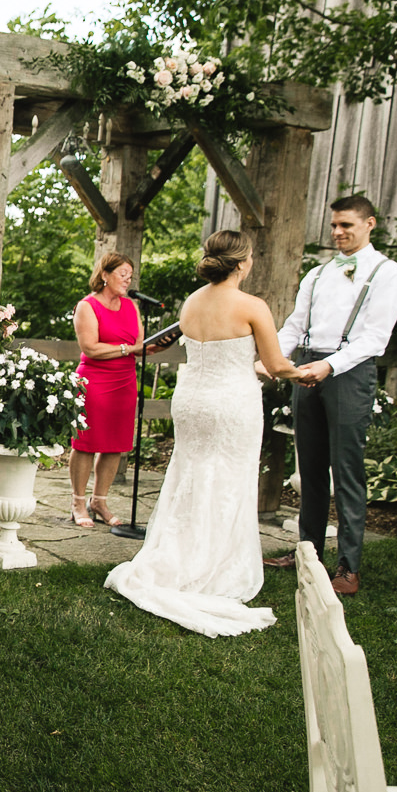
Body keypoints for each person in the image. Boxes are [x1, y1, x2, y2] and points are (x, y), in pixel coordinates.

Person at [104, 230, 303, 637]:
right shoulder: (252, 305)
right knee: (229, 479)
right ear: (243, 262)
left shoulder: (191, 302)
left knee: (190, 476)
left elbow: (211, 352)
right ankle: (213, 564)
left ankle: (178, 555)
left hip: (192, 401)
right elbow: (276, 363)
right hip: (231, 404)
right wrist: (306, 372)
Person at [265, 195, 397, 596]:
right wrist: (273, 358)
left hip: (348, 372)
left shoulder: (389, 273)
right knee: (309, 467)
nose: (337, 232)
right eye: (333, 225)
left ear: (370, 224)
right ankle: (306, 553)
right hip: (306, 367)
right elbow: (295, 326)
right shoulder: (317, 274)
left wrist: (330, 366)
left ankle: (348, 566)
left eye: (346, 225)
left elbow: (375, 339)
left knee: (345, 471)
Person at [66, 251, 145, 527]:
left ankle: (99, 500)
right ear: (104, 275)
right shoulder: (87, 306)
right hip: (95, 381)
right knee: (86, 443)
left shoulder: (132, 307)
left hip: (125, 381)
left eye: (130, 275)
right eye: (122, 274)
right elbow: (91, 348)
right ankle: (78, 502)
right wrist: (125, 349)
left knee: (115, 445)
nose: (127, 279)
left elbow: (140, 343)